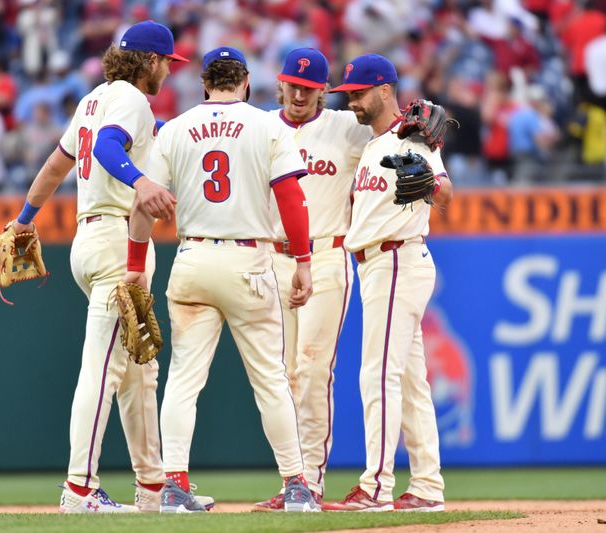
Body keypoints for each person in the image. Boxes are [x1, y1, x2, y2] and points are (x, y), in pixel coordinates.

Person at [6, 21, 206, 514]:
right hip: (118, 241)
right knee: (102, 369)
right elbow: (111, 149)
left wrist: (24, 218)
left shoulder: (93, 99)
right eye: (165, 62)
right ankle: (79, 489)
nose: (168, 70)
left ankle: (153, 488)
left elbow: (58, 164)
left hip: (88, 239)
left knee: (140, 370)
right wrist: (141, 182)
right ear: (149, 61)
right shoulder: (133, 100)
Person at [124, 46, 320, 513]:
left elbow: (143, 204)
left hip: (192, 257)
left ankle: (172, 486)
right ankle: (295, 484)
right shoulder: (268, 124)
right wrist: (305, 261)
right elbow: (291, 197)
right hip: (248, 260)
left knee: (183, 382)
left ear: (203, 83)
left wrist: (135, 265)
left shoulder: (174, 129)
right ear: (246, 81)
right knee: (271, 380)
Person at [327, 54, 452, 512]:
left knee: (378, 374)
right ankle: (427, 487)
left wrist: (428, 184)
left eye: (358, 94)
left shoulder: (410, 135)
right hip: (381, 263)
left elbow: (446, 191)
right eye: (349, 95)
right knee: (411, 382)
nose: (353, 102)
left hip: (396, 257)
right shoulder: (379, 142)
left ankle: (376, 487)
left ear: (384, 90)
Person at [252, 47, 370, 511]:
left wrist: (415, 132)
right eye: (292, 84)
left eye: (309, 87)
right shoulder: (259, 127)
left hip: (325, 255)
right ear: (279, 84)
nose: (299, 93)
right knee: (280, 377)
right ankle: (291, 481)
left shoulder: (345, 126)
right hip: (272, 258)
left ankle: (310, 485)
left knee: (313, 368)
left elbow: (393, 133)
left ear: (323, 90)